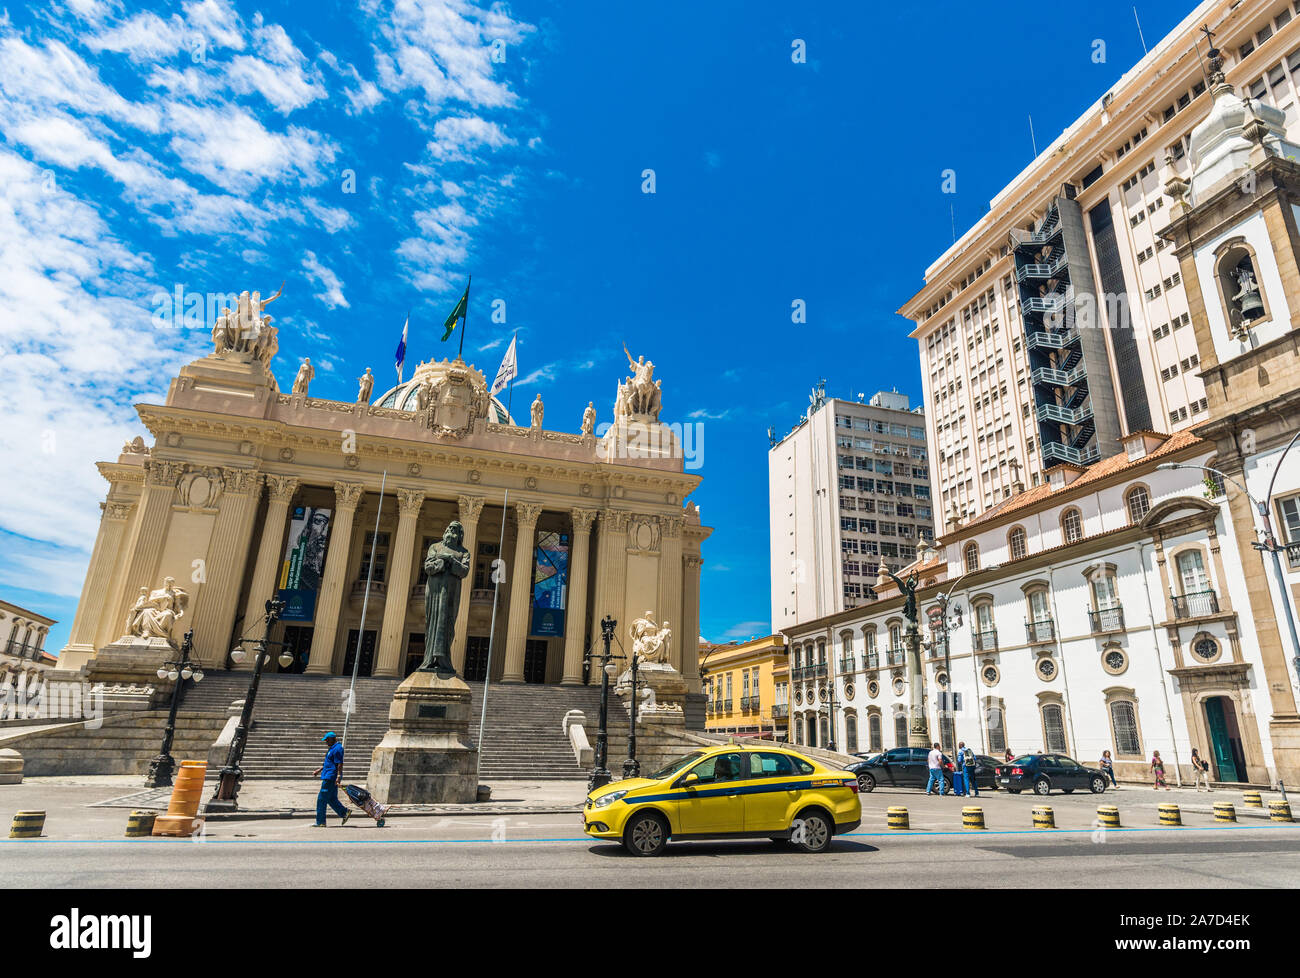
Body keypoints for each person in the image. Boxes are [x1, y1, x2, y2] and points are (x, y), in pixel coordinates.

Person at [313, 731, 350, 827]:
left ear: (331, 739)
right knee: (331, 798)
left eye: (327, 740)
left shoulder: (338, 748)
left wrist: (338, 776)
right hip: (328, 774)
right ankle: (344, 813)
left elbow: (339, 763)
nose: (326, 742)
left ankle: (320, 822)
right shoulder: (332, 749)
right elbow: (328, 763)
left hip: (331, 777)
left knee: (321, 799)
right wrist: (319, 770)